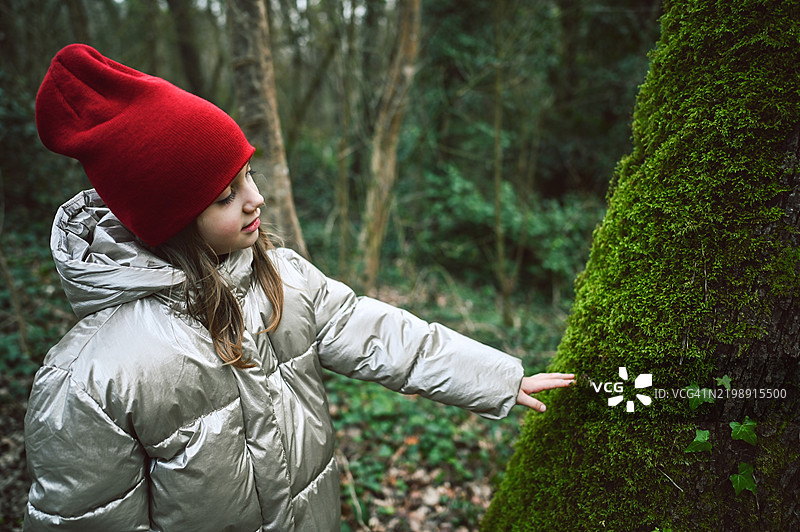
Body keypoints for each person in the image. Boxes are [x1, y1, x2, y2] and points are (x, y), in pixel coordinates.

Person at [23, 43, 575, 531]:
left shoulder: (281, 277)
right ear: (171, 218)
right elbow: (85, 518)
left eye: (248, 175)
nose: (254, 199)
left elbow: (383, 335)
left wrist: (496, 378)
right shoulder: (95, 377)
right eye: (224, 196)